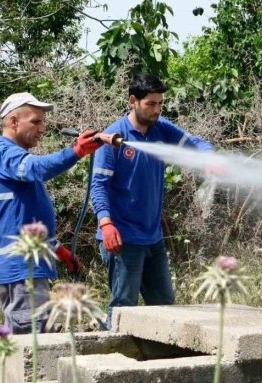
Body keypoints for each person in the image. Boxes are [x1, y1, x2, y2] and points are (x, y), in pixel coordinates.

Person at [90, 74, 216, 323]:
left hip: (152, 237)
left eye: (160, 104)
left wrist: (209, 157)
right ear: (133, 101)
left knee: (165, 306)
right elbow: (98, 185)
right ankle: (117, 357)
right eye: (151, 104)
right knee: (124, 307)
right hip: (122, 238)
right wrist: (106, 223)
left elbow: (194, 142)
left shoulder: (161, 129)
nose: (157, 109)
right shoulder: (112, 138)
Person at [0, 92, 111, 333]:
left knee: (31, 339)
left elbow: (23, 220)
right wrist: (76, 152)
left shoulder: (12, 162)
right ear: (13, 122)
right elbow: (37, 168)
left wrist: (59, 251)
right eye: (36, 121)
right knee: (32, 343)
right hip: (19, 267)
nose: (43, 128)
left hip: (25, 265)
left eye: (43, 121)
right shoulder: (4, 156)